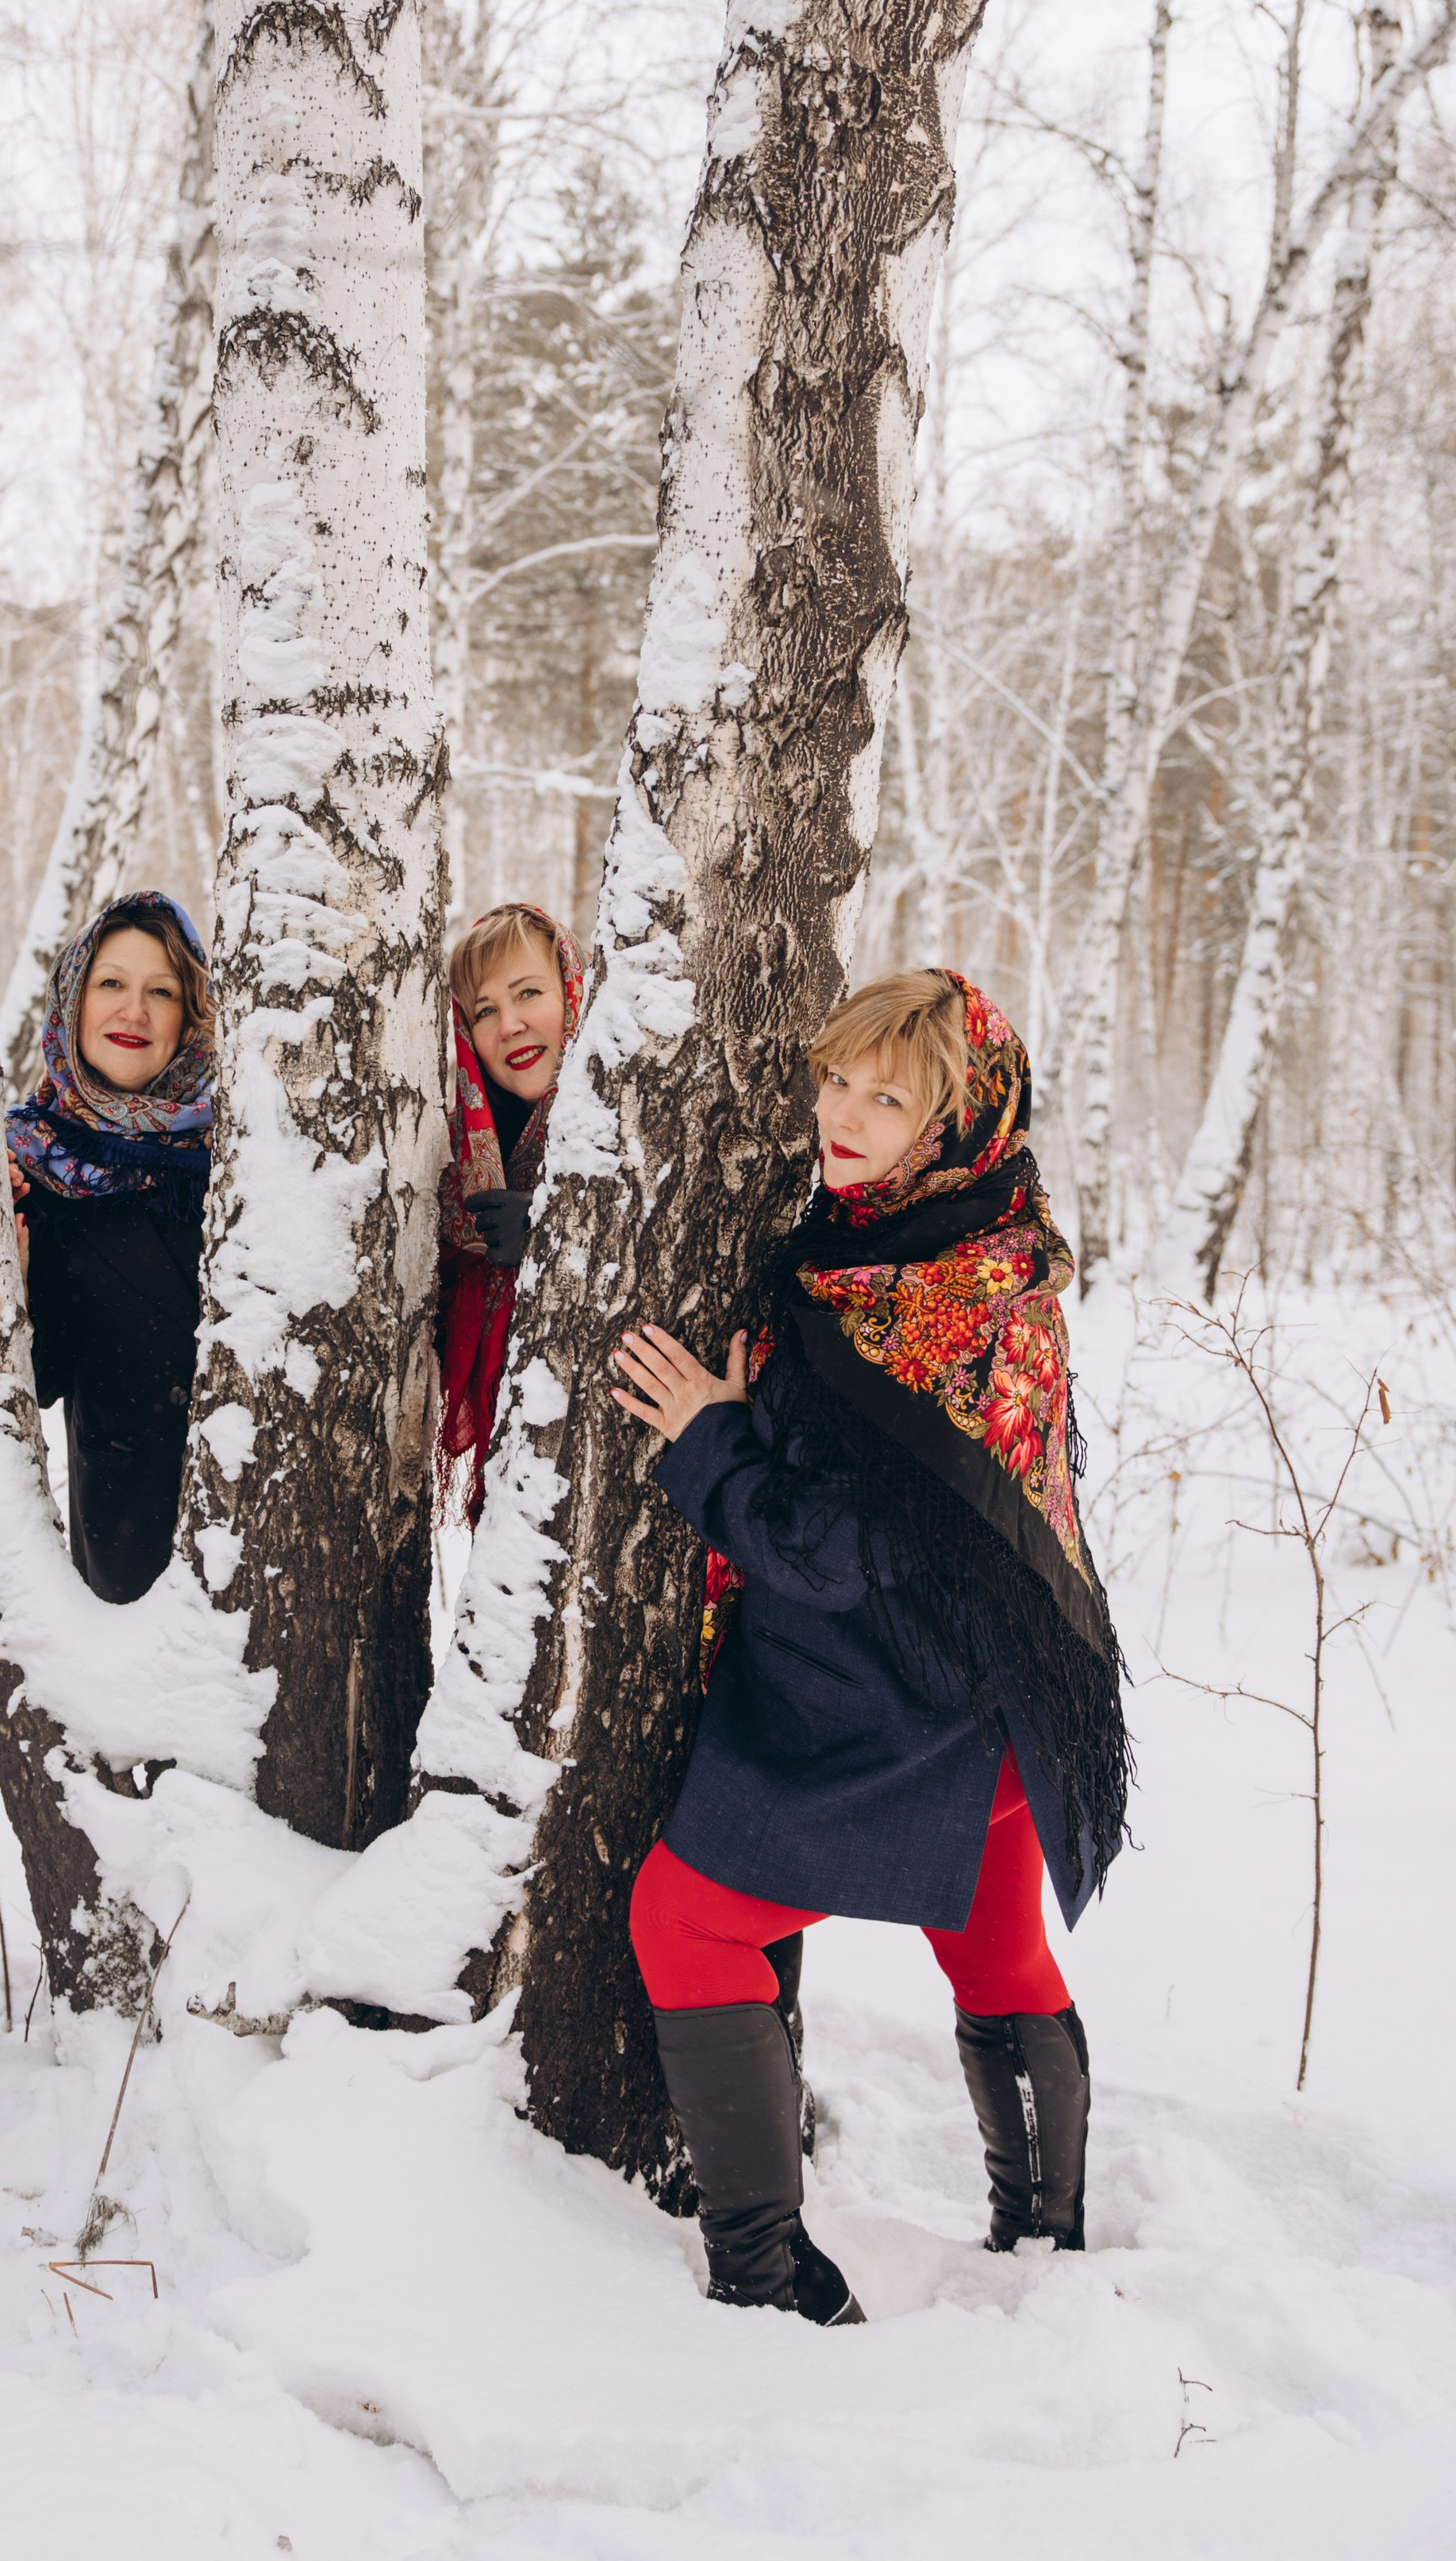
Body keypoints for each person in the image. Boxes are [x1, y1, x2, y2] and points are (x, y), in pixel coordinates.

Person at [611, 969, 1129, 2325]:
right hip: (999, 1683)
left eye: (885, 1097)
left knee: (685, 1918)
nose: (839, 1114)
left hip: (911, 1696)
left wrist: (715, 1438)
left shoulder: (960, 1300)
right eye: (835, 1079)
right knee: (996, 1944)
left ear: (959, 1121)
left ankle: (769, 2275)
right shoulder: (904, 1238)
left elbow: (827, 1547)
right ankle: (1044, 2252)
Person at [6, 893, 212, 1603]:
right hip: (131, 1540)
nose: (135, 1012)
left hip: (273, 1528)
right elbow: (37, 1378)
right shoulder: (30, 1160)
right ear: (72, 1001)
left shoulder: (246, 1140)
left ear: (192, 1015)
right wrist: (14, 1274)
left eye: (163, 991)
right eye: (111, 985)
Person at [435, 902, 585, 1523]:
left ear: (574, 993)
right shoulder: (452, 1152)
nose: (511, 1025)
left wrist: (556, 1231)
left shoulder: (627, 1132)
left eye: (529, 993)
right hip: (507, 1485)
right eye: (486, 1011)